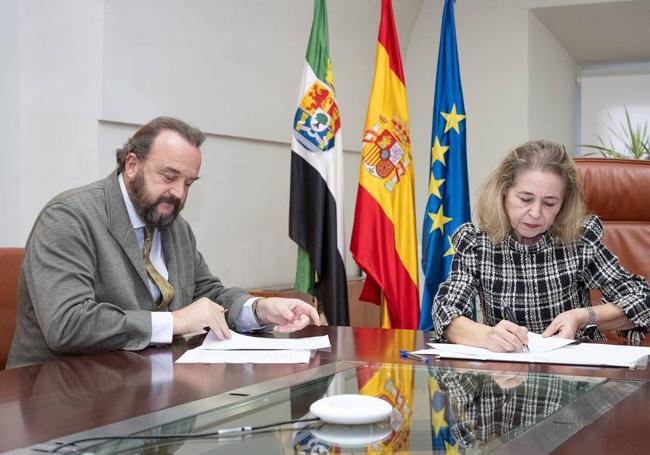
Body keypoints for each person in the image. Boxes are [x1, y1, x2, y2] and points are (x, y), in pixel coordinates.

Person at [7, 116, 320, 368]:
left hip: (140, 386)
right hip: (59, 396)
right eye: (169, 177)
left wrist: (260, 309)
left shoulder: (173, 226)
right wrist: (175, 321)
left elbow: (206, 293)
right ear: (132, 165)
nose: (179, 194)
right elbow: (67, 324)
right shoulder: (70, 217)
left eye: (188, 183)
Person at [432, 140, 650, 352]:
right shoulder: (477, 246)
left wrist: (582, 317)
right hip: (505, 378)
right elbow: (444, 310)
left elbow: (643, 300)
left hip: (578, 378)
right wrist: (488, 336)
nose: (536, 213)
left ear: (563, 203)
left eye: (549, 203)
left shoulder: (579, 242)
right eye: (525, 199)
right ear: (504, 192)